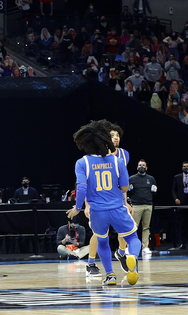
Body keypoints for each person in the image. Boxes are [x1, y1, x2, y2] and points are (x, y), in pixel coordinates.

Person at [67, 120, 141, 286]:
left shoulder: (82, 162)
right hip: (117, 207)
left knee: (102, 241)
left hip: (97, 211)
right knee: (133, 238)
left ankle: (110, 275)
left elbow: (81, 188)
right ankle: (132, 257)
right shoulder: (117, 161)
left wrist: (78, 207)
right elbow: (124, 186)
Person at [83, 123, 131, 278]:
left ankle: (121, 252)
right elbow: (86, 183)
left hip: (116, 198)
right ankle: (90, 263)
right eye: (112, 136)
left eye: (117, 135)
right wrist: (87, 205)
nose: (115, 138)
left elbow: (121, 183)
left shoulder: (124, 155)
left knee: (125, 228)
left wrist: (126, 202)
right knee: (99, 233)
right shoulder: (95, 156)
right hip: (98, 199)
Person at [128, 159, 156, 257]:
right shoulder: (132, 178)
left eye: (143, 165)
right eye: (140, 165)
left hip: (148, 205)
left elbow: (154, 191)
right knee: (133, 227)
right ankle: (130, 247)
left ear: (146, 168)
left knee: (146, 227)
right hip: (136, 205)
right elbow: (127, 191)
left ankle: (145, 247)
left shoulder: (151, 179)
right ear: (137, 167)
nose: (141, 167)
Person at [171, 161, 188, 250]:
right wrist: (176, 198)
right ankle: (183, 243)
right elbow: (174, 190)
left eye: (187, 166)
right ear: (182, 168)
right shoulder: (177, 177)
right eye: (184, 166)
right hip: (182, 204)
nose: (185, 167)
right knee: (183, 225)